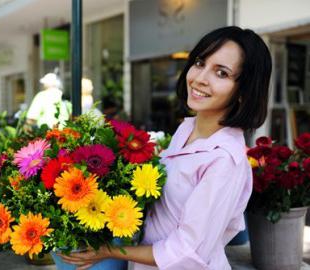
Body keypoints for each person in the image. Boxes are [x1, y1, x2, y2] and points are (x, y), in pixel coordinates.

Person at [60, 26, 272, 270]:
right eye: (201, 62)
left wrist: (109, 251)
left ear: (243, 92)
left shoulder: (224, 160)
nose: (200, 78)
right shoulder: (186, 130)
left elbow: (187, 251)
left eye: (221, 73)